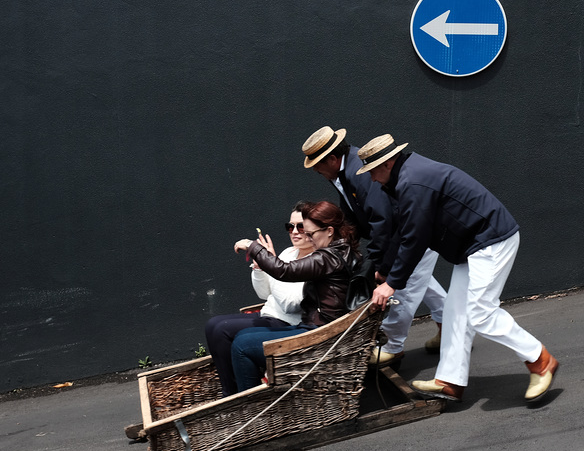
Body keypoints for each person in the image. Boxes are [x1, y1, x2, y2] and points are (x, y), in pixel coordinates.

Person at [357, 133, 559, 403]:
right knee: (455, 312)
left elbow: (414, 239)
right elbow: (402, 231)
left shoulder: (413, 182)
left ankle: (540, 361)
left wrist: (391, 283)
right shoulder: (404, 177)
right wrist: (384, 269)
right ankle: (450, 381)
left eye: (372, 171)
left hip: (490, 240)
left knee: (480, 313)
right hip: (471, 246)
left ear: (388, 163)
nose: (371, 179)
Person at [301, 126, 447, 366]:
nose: (315, 169)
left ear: (332, 158)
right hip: (406, 232)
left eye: (317, 164)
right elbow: (355, 215)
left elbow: (383, 220)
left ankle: (392, 346)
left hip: (410, 234)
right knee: (423, 283)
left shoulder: (356, 172)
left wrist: (380, 263)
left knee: (403, 290)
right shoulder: (343, 171)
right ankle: (452, 329)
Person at [229, 200, 359, 392]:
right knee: (242, 336)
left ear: (330, 231)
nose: (309, 239)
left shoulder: (328, 257)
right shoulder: (342, 251)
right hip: (315, 326)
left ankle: (250, 405)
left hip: (320, 334)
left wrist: (252, 246)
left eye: (311, 234)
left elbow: (284, 271)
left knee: (242, 346)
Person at [204, 202, 316, 396]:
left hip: (288, 323)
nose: (294, 232)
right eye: (290, 227)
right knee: (213, 324)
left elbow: (290, 305)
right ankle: (229, 391)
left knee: (223, 330)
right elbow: (265, 294)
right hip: (269, 315)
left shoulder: (315, 260)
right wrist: (261, 268)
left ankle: (236, 395)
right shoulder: (289, 253)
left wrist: (272, 265)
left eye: (301, 226)